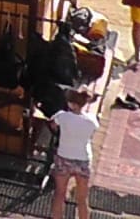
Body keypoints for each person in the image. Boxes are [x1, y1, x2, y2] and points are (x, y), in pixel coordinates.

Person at [49, 88, 100, 219]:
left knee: (59, 194)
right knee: (82, 199)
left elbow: (53, 125)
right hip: (83, 159)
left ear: (71, 103)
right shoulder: (92, 120)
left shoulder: (62, 116)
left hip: (64, 157)